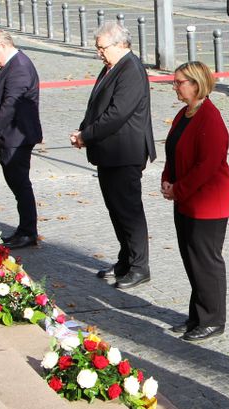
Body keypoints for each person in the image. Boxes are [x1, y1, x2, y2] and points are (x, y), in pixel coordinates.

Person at [71, 23, 156, 289]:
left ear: (121, 44)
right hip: (109, 152)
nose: (98, 53)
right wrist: (84, 129)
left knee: (129, 210)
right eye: (97, 48)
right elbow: (96, 104)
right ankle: (126, 260)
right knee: (115, 208)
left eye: (102, 47)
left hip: (125, 152)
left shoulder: (130, 68)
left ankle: (140, 266)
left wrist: (87, 135)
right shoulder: (112, 66)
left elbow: (117, 113)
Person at [161, 61, 229, 342]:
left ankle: (213, 319)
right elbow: (172, 151)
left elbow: (207, 166)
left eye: (179, 82)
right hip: (185, 199)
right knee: (191, 259)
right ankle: (197, 314)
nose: (175, 86)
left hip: (208, 202)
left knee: (206, 261)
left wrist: (177, 189)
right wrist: (167, 179)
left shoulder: (210, 118)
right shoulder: (185, 114)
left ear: (196, 84)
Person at [0, 30, 42, 249]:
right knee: (17, 184)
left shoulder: (20, 68)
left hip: (16, 136)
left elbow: (10, 103)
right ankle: (24, 229)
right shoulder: (11, 64)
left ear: (2, 45)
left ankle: (28, 232)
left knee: (21, 185)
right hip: (11, 135)